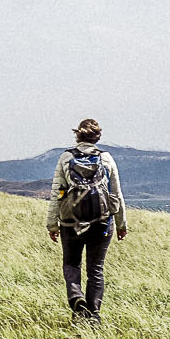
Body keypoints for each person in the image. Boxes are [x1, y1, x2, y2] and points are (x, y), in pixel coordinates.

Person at [46, 118, 127, 325]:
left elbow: (57, 192)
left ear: (77, 135)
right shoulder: (107, 159)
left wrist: (52, 224)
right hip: (101, 222)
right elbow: (116, 194)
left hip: (70, 222)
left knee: (72, 263)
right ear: (97, 137)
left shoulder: (65, 157)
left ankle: (76, 298)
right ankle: (94, 315)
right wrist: (121, 224)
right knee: (96, 269)